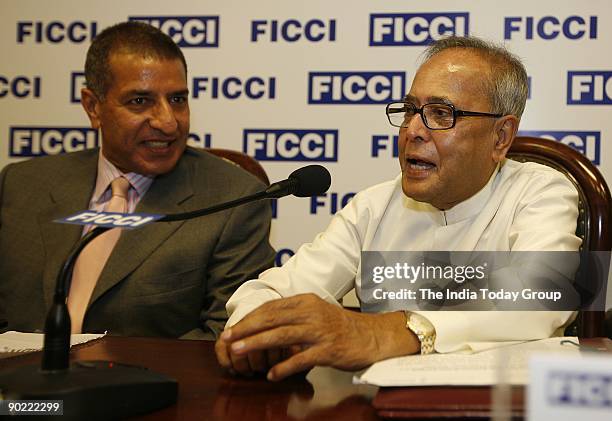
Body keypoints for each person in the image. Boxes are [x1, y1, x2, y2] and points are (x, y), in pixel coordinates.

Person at [215, 36, 581, 380]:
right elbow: (273, 291)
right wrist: (259, 335)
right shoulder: (373, 207)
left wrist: (395, 332)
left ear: (500, 137)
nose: (413, 131)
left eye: (440, 114)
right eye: (410, 110)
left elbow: (543, 296)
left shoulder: (539, 191)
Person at [0, 21, 275, 340]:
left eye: (177, 100)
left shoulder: (233, 200)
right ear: (93, 107)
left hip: (145, 386)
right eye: (140, 101)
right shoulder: (20, 184)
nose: (168, 122)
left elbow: (224, 336)